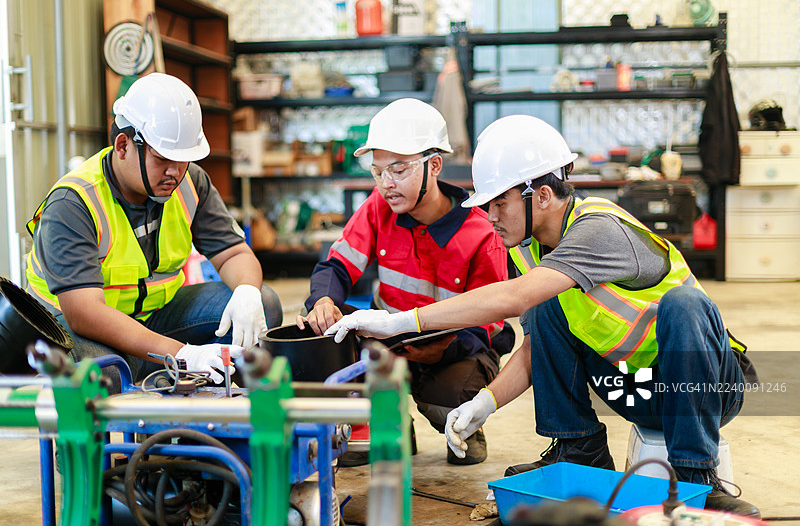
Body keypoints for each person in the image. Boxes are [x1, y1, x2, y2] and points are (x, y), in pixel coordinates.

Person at [324, 115, 760, 516]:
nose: (488, 216)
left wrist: (401, 321)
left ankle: (697, 476)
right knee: (545, 309)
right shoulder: (530, 248)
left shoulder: (598, 229)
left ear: (543, 195)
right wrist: (485, 402)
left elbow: (513, 297)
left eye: (499, 203)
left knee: (686, 304)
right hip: (639, 388)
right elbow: (536, 348)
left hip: (706, 388)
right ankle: (578, 450)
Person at [26, 73, 282, 393]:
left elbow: (233, 252)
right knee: (100, 379)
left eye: (183, 160)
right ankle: (158, 383)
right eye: (163, 159)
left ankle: (217, 410)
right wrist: (181, 354)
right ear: (123, 146)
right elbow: (83, 313)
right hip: (82, 332)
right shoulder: (74, 203)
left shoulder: (190, 182)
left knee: (263, 302)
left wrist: (246, 291)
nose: (175, 172)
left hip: (156, 318)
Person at [297, 98, 514, 465]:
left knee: (451, 399)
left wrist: (443, 349)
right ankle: (388, 425)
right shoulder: (378, 207)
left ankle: (463, 424)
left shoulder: (480, 232)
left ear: (434, 165)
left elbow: (488, 324)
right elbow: (335, 267)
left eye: (398, 170)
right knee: (328, 334)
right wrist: (323, 302)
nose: (386, 184)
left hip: (452, 348)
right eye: (377, 171)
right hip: (388, 340)